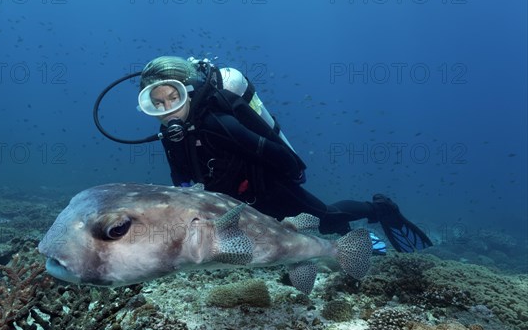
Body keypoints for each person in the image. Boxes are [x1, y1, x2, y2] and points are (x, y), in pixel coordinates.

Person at [137, 56, 432, 253]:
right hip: (239, 202)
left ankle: (380, 209)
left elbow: (279, 156)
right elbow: (182, 178)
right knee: (288, 236)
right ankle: (343, 231)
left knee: (325, 219)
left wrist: (285, 178)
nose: (167, 109)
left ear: (188, 91)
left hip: (270, 189)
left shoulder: (220, 125)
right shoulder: (173, 134)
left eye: (173, 97)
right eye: (157, 103)